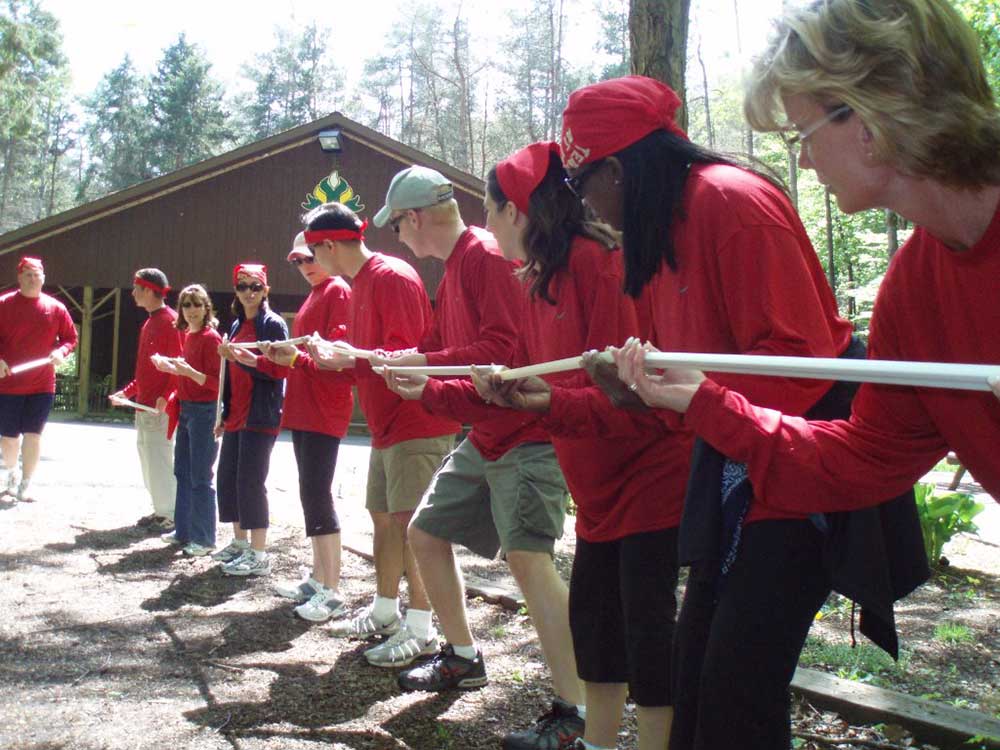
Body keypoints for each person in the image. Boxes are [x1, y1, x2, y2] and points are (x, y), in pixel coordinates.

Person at [534, 75, 927, 750]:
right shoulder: (655, 237)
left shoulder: (730, 202)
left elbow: (799, 358)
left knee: (736, 682)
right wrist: (636, 385)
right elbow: (682, 379)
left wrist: (694, 392)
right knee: (699, 682)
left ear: (620, 170)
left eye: (581, 184)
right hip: (730, 452)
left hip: (803, 452)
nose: (583, 204)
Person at [614, 0, 1000, 509]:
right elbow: (867, 459)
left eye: (804, 133)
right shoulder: (915, 289)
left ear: (868, 118)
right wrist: (707, 403)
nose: (803, 157)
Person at [386, 142, 687, 750]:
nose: (484, 222)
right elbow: (518, 375)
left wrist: (543, 401)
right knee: (600, 623)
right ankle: (592, 737)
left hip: (642, 477)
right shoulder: (538, 277)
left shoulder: (597, 266)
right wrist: (435, 390)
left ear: (517, 212)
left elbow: (625, 395)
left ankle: (601, 726)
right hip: (591, 478)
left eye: (491, 209)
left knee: (647, 635)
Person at [367, 163, 585, 749]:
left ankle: (578, 707)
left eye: (397, 227)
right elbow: (439, 349)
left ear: (414, 219)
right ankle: (462, 656)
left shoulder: (486, 256)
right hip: (485, 434)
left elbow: (503, 353)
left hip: (527, 437)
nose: (400, 239)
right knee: (426, 533)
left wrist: (425, 376)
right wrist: (393, 360)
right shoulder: (456, 267)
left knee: (528, 560)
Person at [301, 202, 460, 648]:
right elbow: (367, 364)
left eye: (313, 252)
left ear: (330, 244)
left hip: (417, 422)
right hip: (386, 426)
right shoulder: (358, 285)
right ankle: (386, 610)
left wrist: (347, 356)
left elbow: (405, 357)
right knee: (383, 518)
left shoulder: (390, 277)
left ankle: (422, 628)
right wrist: (336, 360)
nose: (312, 262)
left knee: (414, 527)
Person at [259, 232, 355, 622]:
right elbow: (304, 357)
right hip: (303, 410)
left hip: (324, 411)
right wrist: (278, 356)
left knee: (318, 494)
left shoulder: (338, 292)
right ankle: (318, 579)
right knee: (309, 493)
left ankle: (331, 589)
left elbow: (339, 363)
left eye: (309, 256)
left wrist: (293, 359)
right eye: (297, 260)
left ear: (327, 250)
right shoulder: (317, 295)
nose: (304, 265)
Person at [212, 264, 288, 576]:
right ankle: (240, 543)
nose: (249, 293)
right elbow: (227, 377)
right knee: (228, 479)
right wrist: (224, 414)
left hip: (261, 416)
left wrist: (246, 359)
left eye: (255, 286)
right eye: (243, 286)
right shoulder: (235, 326)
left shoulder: (273, 325)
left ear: (266, 290)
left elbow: (281, 369)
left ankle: (259, 553)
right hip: (236, 416)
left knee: (250, 482)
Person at [110, 268, 183, 532]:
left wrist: (167, 396)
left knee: (160, 458)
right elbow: (145, 372)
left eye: (138, 288)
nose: (133, 293)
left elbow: (178, 364)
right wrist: (127, 393)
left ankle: (171, 513)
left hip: (159, 408)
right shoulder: (151, 322)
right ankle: (160, 509)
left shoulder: (170, 322)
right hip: (144, 405)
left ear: (151, 291)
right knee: (147, 456)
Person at [152, 284, 223, 557]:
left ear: (207, 308)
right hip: (186, 410)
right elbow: (189, 374)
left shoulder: (211, 338)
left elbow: (218, 384)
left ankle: (205, 539)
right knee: (182, 472)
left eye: (197, 304)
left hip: (205, 412)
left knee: (201, 477)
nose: (191, 310)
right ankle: (183, 530)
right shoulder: (189, 336)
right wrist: (171, 367)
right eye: (186, 305)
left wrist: (190, 373)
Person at [0, 256, 78, 503]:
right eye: (28, 274)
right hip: (9, 384)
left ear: (44, 277)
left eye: (37, 274)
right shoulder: (4, 304)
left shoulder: (56, 308)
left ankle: (26, 483)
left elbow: (70, 338)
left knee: (34, 435)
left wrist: (60, 352)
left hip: (42, 384)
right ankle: (12, 473)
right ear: (19, 277)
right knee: (9, 439)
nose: (33, 279)